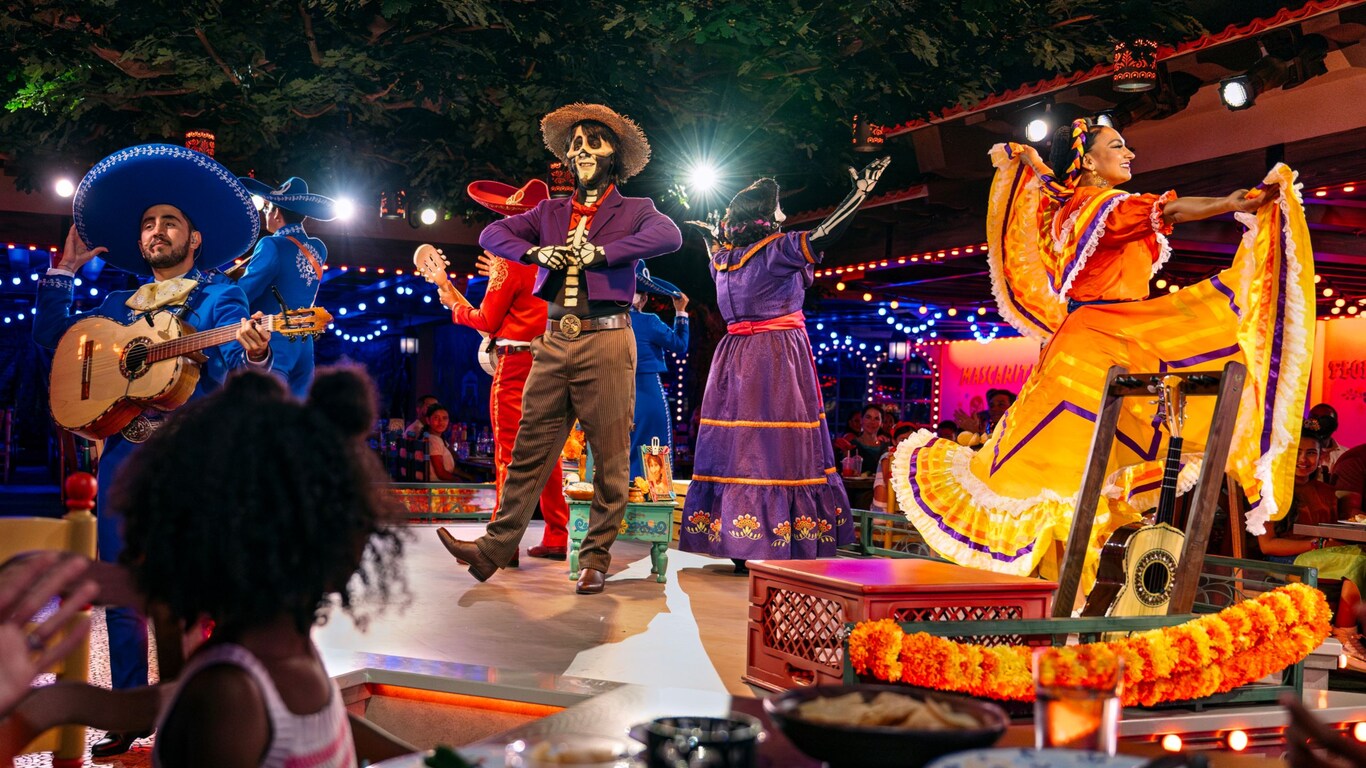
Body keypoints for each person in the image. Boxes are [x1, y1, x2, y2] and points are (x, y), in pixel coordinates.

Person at [891, 118, 1313, 591]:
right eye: (1117, 146)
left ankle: (1051, 600)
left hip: (1103, 336)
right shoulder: (1100, 205)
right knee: (1065, 475)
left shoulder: (1086, 207)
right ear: (1088, 161)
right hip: (1096, 345)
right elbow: (1167, 210)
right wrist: (1228, 203)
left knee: (1071, 476)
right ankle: (1042, 603)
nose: (1129, 152)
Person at [32, 144, 272, 757]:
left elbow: (229, 370)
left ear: (195, 238)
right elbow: (56, 351)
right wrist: (62, 277)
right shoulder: (117, 308)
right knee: (121, 592)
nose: (155, 231)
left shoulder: (222, 299)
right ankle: (133, 713)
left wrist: (253, 349)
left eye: (168, 222)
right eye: (146, 223)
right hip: (121, 460)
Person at [437, 103, 683, 595]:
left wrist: (603, 253)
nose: (582, 151)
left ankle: (595, 558)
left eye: (593, 142)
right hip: (552, 340)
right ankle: (492, 550)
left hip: (608, 338)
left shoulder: (634, 210)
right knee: (529, 450)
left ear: (615, 155)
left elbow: (669, 235)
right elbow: (492, 232)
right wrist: (535, 251)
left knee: (610, 455)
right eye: (575, 145)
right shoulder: (550, 211)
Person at [679, 158, 889, 572]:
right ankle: (777, 539)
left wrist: (710, 235)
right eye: (777, 209)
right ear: (764, 216)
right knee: (778, 444)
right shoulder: (777, 250)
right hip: (775, 354)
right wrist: (859, 194)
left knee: (739, 445)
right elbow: (825, 233)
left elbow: (717, 252)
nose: (783, 215)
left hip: (734, 356)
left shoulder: (723, 259)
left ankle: (738, 538)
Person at [425, 179, 571, 561]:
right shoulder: (562, 257)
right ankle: (557, 535)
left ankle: (499, 543)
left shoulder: (510, 259)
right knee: (549, 452)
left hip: (518, 364)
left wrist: (455, 306)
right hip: (555, 362)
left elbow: (489, 320)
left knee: (508, 453)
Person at [1255, 419, 1366, 664]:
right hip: (1286, 560)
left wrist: (1330, 543)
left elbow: (1334, 533)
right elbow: (1268, 545)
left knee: (1361, 556)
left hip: (1320, 555)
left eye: (1311, 453)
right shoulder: (1271, 490)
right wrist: (1318, 544)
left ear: (1321, 456)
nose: (1303, 460)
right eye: (1297, 453)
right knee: (1358, 561)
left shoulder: (1325, 490)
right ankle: (1345, 636)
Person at [234, 176, 337, 397]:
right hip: (304, 341)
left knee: (267, 413)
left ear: (277, 213)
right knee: (297, 414)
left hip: (274, 338)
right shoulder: (319, 248)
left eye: (268, 208)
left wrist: (221, 283)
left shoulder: (270, 244)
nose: (265, 214)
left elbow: (244, 293)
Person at [629, 262, 690, 482]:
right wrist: (680, 312)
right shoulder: (649, 322)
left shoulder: (607, 322)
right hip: (647, 391)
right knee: (652, 444)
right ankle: (652, 503)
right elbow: (680, 345)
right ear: (643, 299)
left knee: (617, 448)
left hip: (612, 389)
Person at [871, 422, 919, 513]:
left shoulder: (916, 459)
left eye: (911, 439)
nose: (907, 442)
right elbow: (888, 483)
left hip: (905, 505)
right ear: (894, 441)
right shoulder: (888, 457)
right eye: (902, 439)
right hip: (885, 505)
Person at [835, 404, 891, 475]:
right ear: (861, 420)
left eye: (876, 418)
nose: (872, 422)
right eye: (868, 417)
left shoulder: (886, 447)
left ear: (881, 423)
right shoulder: (851, 445)